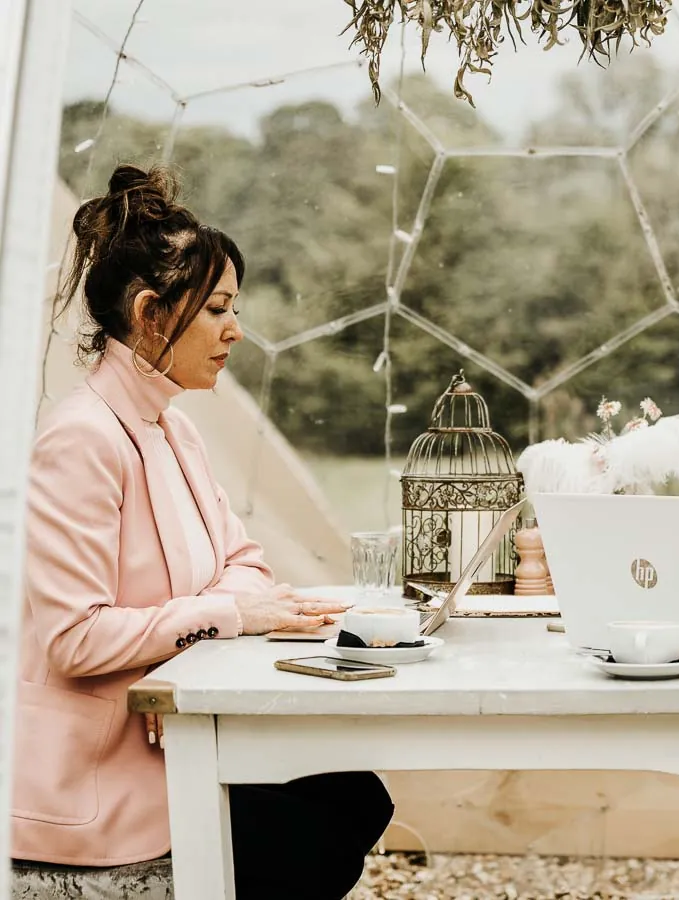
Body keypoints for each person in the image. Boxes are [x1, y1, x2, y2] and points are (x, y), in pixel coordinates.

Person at [10, 164, 394, 899]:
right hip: (98, 774)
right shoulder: (81, 440)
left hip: (170, 730)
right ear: (153, 314)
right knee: (309, 843)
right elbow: (74, 639)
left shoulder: (173, 430)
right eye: (218, 308)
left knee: (356, 794)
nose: (236, 331)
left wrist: (206, 628)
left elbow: (243, 563)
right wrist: (220, 619)